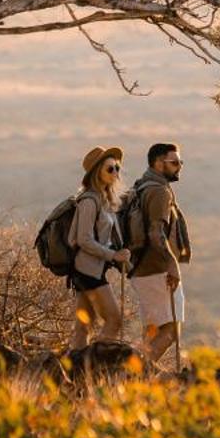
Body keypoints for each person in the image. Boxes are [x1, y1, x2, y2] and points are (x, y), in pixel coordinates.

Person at [127, 141, 191, 366]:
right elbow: (156, 233)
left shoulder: (142, 186)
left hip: (141, 269)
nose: (179, 167)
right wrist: (172, 265)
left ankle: (135, 379)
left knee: (152, 331)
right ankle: (133, 374)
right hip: (157, 270)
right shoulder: (159, 192)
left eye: (180, 162)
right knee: (172, 329)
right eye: (173, 162)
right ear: (157, 163)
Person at [68, 145, 131, 349]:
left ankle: (77, 371)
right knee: (114, 320)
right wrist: (113, 255)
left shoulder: (103, 200)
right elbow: (83, 239)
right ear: (97, 173)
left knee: (83, 326)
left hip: (88, 269)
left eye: (117, 167)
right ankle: (97, 365)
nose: (116, 173)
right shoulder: (89, 201)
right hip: (87, 271)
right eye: (110, 168)